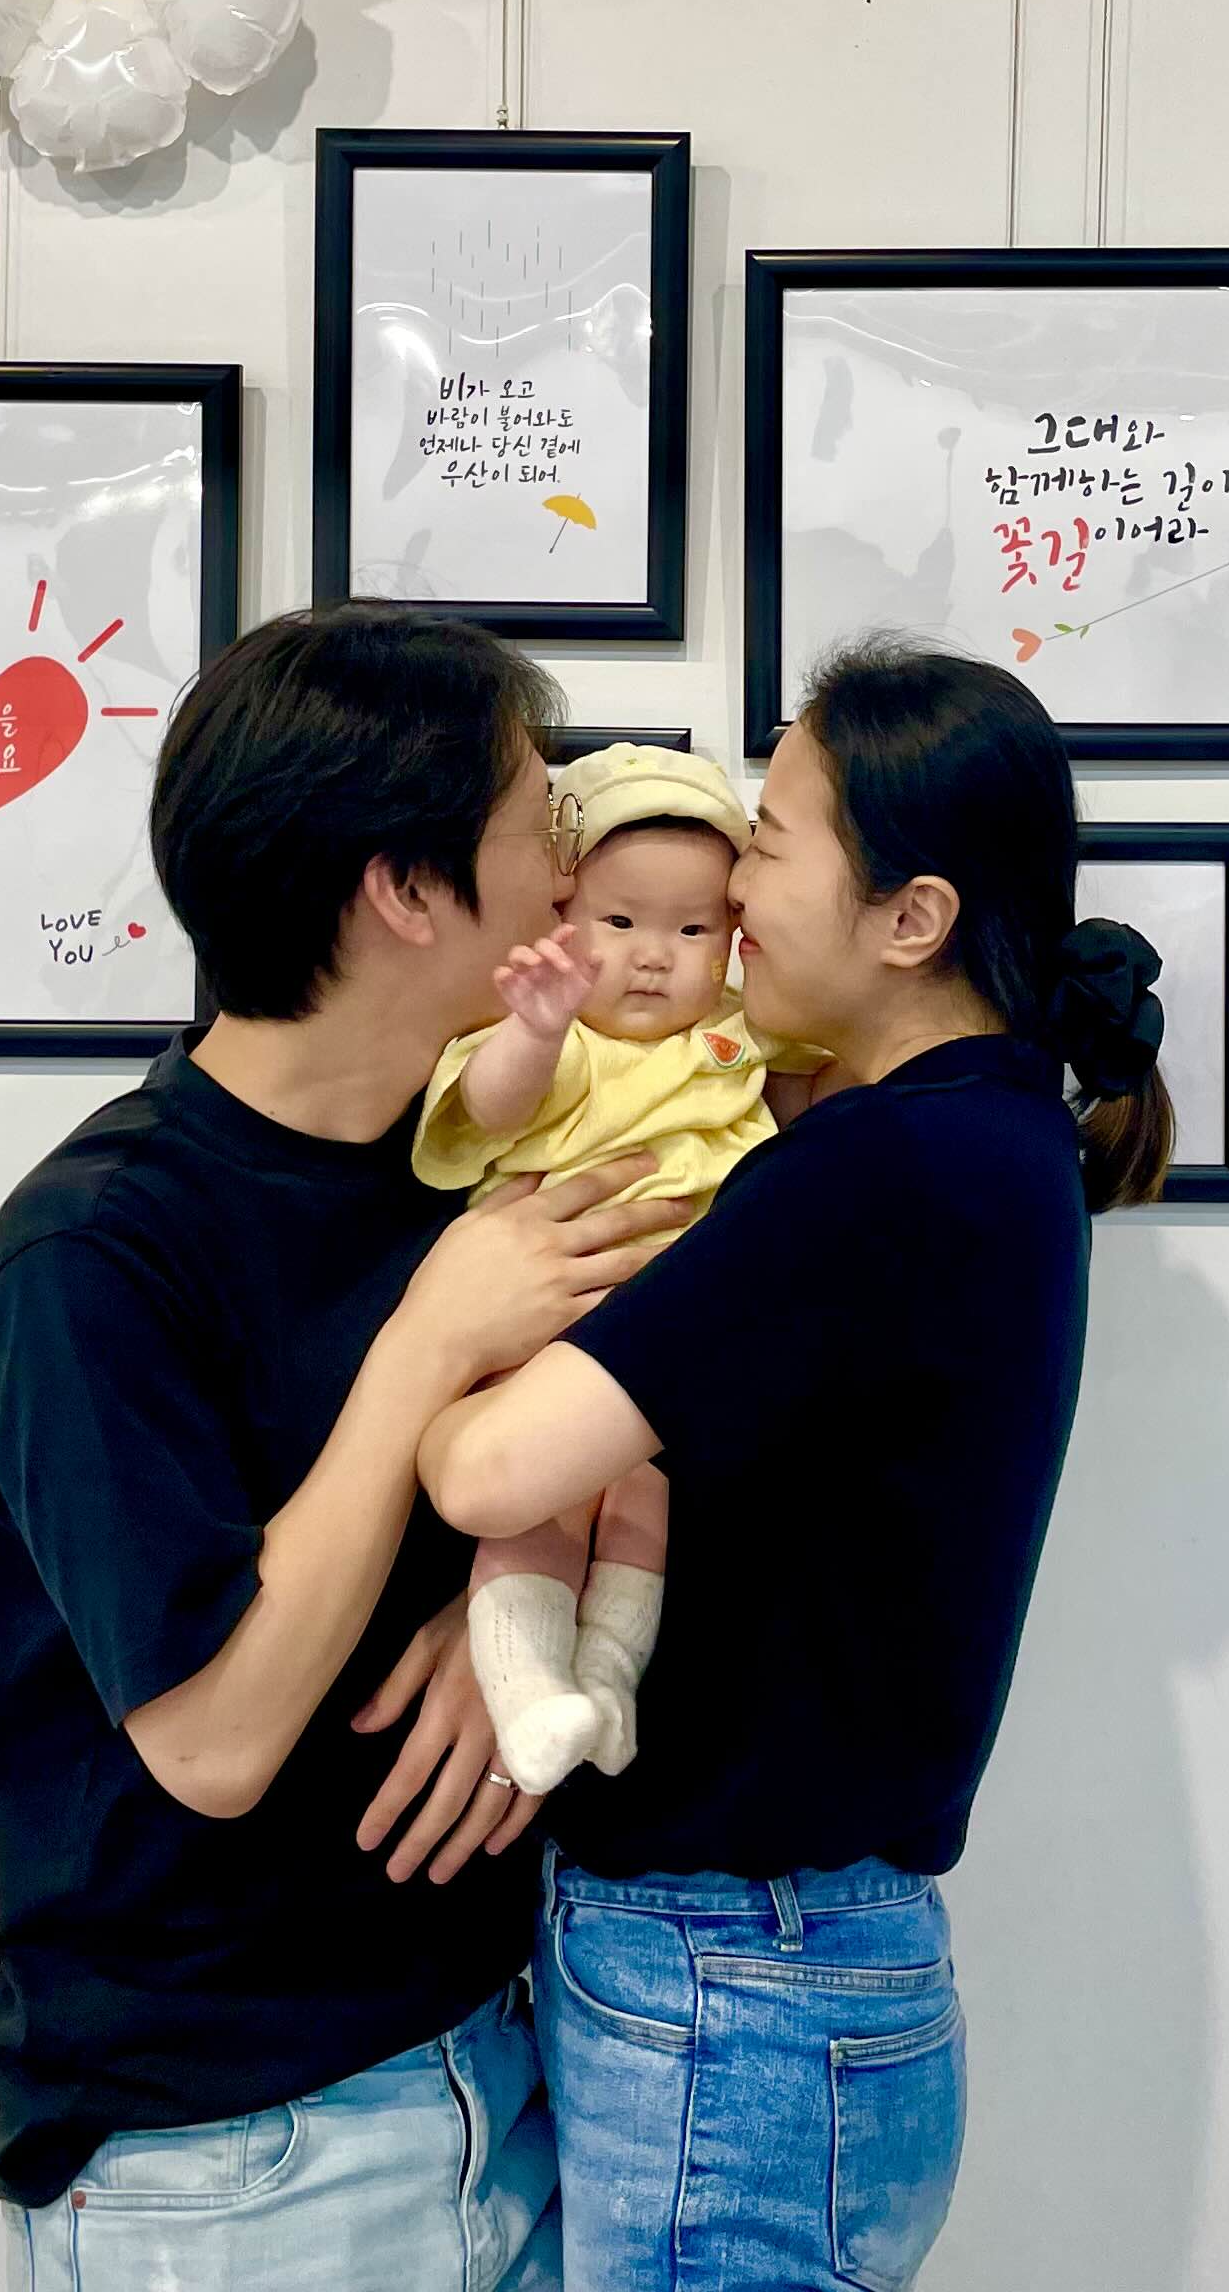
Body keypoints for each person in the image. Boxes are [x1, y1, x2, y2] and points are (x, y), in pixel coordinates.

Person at [0, 604, 694, 2291]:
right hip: (234, 2150)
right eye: (535, 820)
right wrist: (429, 1338)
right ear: (405, 889)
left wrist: (498, 1609)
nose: (570, 860)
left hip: (507, 2047)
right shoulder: (94, 1252)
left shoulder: (483, 1150)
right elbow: (212, 1738)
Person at [416, 634, 1172, 2292]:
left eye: (768, 836)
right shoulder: (981, 1133)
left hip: (733, 1970)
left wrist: (441, 1334)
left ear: (911, 917)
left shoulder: (882, 1165)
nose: (733, 885)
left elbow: (490, 1476)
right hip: (784, 1966)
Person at [413, 744, 822, 1800]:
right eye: (621, 922)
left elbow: (817, 1081)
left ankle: (605, 1680)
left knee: (642, 1506)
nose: (653, 958)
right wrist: (538, 1026)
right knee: (541, 1508)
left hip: (671, 1352)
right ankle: (529, 1689)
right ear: (562, 916)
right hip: (551, 1322)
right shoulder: (550, 1039)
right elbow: (486, 1109)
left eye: (693, 930)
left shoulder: (735, 1033)